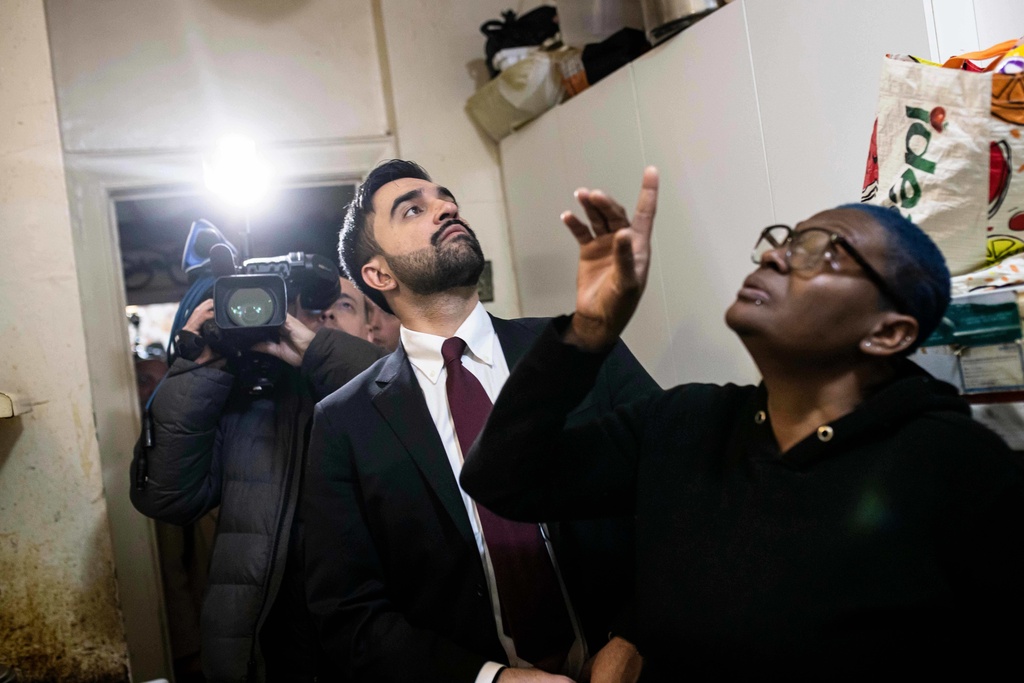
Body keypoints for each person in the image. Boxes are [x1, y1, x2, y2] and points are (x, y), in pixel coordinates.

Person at [461, 167, 1024, 680]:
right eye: (783, 240)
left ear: (888, 333)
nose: (776, 257)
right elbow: (502, 478)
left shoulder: (955, 466)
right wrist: (588, 331)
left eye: (821, 251)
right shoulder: (684, 423)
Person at [302, 159, 659, 683]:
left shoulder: (576, 347)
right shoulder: (344, 423)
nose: (446, 208)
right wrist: (489, 678)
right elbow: (348, 613)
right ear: (378, 275)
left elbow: (679, 491)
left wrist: (632, 636)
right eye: (414, 210)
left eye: (445, 199)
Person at [130, 289, 385, 682]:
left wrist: (327, 357)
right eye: (314, 307)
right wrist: (196, 370)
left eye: (344, 305)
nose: (326, 317)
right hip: (268, 651)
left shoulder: (399, 393)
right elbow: (167, 497)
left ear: (372, 328)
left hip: (377, 648)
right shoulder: (251, 405)